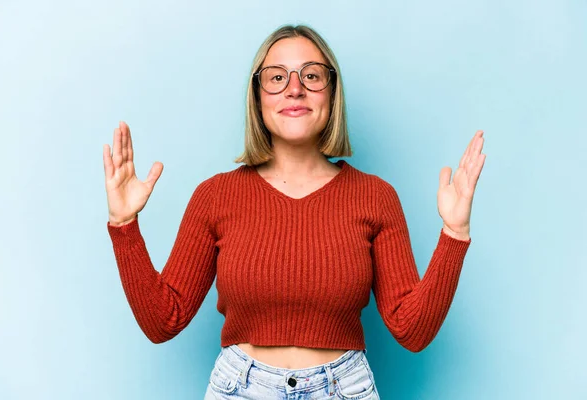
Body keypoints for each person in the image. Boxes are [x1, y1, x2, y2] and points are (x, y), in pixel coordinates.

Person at [103, 24, 486, 399]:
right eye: (276, 78)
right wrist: (124, 225)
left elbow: (412, 331)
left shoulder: (376, 197)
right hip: (240, 388)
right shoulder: (215, 196)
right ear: (257, 98)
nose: (295, 88)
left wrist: (454, 233)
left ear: (332, 94)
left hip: (345, 388)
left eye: (312, 75)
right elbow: (162, 320)